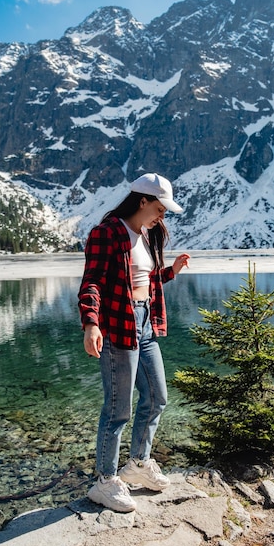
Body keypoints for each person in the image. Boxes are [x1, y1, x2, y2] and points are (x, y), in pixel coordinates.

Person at [78, 172, 190, 513]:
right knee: (117, 409)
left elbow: (144, 280)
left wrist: (171, 271)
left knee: (157, 397)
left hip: (145, 324)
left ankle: (138, 465)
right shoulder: (107, 232)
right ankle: (105, 481)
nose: (163, 215)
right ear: (142, 200)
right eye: (160, 208)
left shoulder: (146, 234)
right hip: (118, 326)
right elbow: (93, 281)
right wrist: (91, 324)